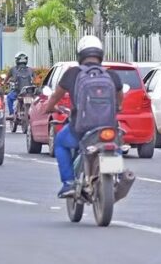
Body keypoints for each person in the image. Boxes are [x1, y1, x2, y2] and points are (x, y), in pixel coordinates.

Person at [42, 35, 123, 198]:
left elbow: (55, 97)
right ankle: (117, 176)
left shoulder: (72, 73)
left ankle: (68, 183)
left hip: (80, 129)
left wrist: (49, 108)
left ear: (80, 54)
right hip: (108, 127)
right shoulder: (112, 75)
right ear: (100, 54)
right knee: (115, 143)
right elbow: (120, 103)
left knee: (59, 143)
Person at [6, 52, 34, 119]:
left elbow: (6, 79)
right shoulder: (31, 70)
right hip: (29, 92)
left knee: (9, 98)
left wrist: (4, 82)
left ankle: (12, 114)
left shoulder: (12, 69)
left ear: (16, 60)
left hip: (17, 92)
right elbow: (36, 80)